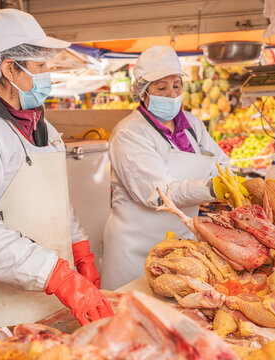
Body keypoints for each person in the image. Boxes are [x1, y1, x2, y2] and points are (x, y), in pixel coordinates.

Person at [0, 9, 112, 347]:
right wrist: (57, 275)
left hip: (41, 306)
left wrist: (79, 249)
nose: (48, 75)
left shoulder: (41, 126)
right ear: (10, 68)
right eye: (40, 66)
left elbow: (54, 202)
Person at [101, 46, 231, 290]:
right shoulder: (129, 133)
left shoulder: (192, 124)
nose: (171, 94)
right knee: (133, 315)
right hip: (135, 248)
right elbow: (159, 194)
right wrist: (213, 188)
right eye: (161, 88)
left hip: (181, 243)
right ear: (142, 92)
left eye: (176, 85)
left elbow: (221, 163)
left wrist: (232, 182)